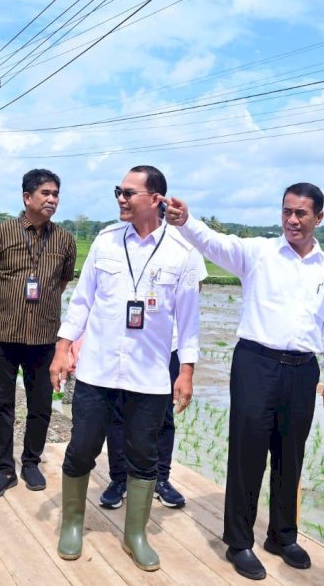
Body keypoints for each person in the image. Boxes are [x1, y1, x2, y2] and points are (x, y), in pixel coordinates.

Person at [164, 183, 324, 581]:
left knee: (290, 454)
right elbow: (213, 243)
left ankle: (282, 535)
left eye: (301, 213)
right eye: (287, 212)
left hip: (303, 369)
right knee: (247, 453)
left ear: (319, 218)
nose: (292, 220)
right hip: (256, 364)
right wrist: (185, 221)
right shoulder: (259, 253)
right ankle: (239, 542)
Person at [49, 165, 200, 571]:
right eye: (118, 190)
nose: (120, 198)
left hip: (150, 376)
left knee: (143, 455)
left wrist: (185, 371)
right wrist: (63, 347)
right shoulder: (105, 242)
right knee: (82, 447)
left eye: (129, 192)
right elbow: (82, 301)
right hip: (97, 370)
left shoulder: (182, 253)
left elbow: (188, 322)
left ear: (156, 199)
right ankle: (73, 524)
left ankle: (135, 534)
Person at [68, 254, 207, 511]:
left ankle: (161, 479)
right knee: (118, 413)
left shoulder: (186, 248)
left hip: (166, 346)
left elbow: (191, 302)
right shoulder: (120, 239)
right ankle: (118, 480)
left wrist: (187, 367)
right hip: (123, 344)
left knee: (164, 415)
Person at [0, 168, 76, 498]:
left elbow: (61, 282)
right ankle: (4, 468)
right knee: (1, 403)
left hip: (45, 336)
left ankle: (30, 462)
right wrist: (3, 307)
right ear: (27, 197)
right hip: (3, 333)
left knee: (41, 403)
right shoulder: (0, 233)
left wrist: (40, 307)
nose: (52, 199)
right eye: (45, 193)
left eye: (56, 194)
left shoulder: (65, 239)